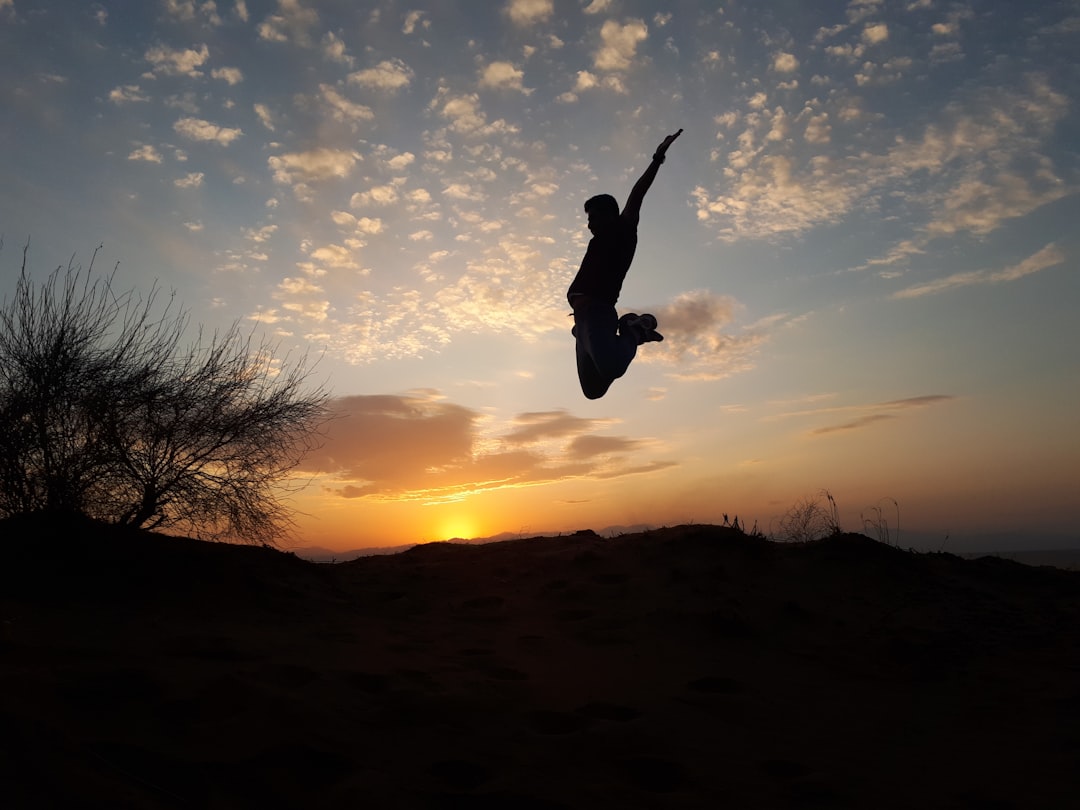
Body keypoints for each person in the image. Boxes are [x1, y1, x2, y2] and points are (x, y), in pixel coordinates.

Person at [567, 129, 683, 399]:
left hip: (598, 312)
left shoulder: (623, 229)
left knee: (610, 368)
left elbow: (638, 193)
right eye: (588, 219)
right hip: (583, 321)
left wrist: (657, 158)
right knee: (593, 391)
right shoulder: (598, 240)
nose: (590, 224)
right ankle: (622, 331)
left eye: (594, 217)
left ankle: (632, 331)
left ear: (612, 214)